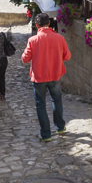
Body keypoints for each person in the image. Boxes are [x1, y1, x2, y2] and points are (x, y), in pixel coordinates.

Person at [21, 12, 72, 142]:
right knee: (57, 100)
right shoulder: (59, 38)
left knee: (41, 105)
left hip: (39, 77)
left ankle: (46, 134)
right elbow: (67, 56)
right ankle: (60, 127)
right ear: (49, 23)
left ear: (37, 25)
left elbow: (25, 59)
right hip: (55, 75)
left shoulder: (32, 40)